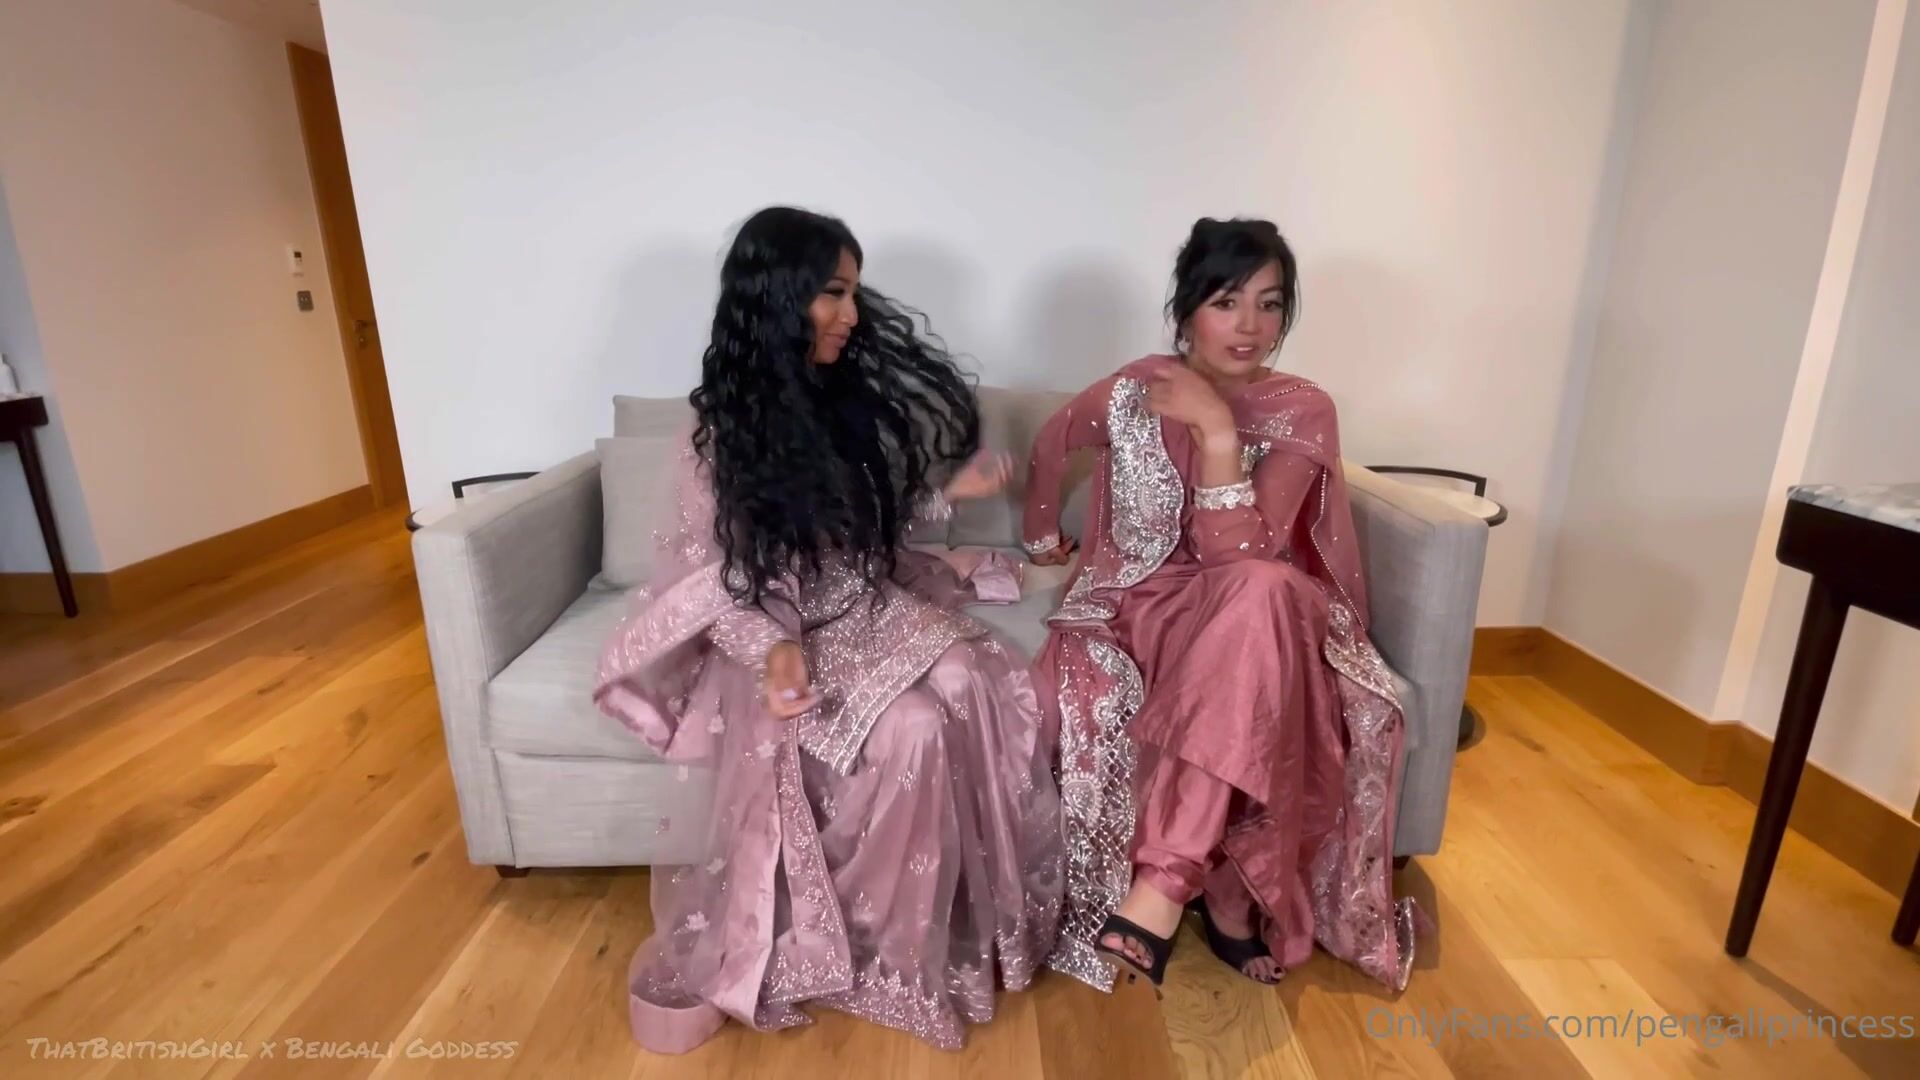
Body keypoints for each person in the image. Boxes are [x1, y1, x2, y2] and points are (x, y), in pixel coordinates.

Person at [595, 206, 1063, 1053]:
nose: (851, 313)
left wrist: (949, 498)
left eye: (853, 292)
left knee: (969, 681)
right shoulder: (716, 441)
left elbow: (861, 531)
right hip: (783, 639)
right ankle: (878, 954)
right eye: (831, 293)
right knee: (914, 727)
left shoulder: (840, 403)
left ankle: (956, 929)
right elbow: (711, 588)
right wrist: (773, 650)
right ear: (777, 298)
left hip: (868, 609)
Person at [1023, 217, 1414, 992]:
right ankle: (1225, 902)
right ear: (1187, 309)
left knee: (1261, 595)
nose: (1250, 326)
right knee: (1250, 660)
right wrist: (1042, 542)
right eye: (1227, 302)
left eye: (1270, 304)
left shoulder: (1302, 406)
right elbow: (1049, 444)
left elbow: (1243, 557)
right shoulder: (1135, 390)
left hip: (1249, 598)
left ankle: (1166, 885)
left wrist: (1216, 432)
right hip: (1142, 603)